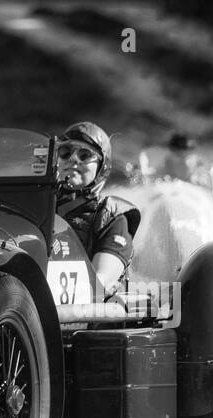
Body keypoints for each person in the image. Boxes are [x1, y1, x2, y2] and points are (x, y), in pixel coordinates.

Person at [56, 121, 138, 300]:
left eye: (84, 154)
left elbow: (99, 283)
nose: (73, 159)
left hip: (82, 320)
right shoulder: (39, 207)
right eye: (65, 152)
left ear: (102, 167)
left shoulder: (111, 215)